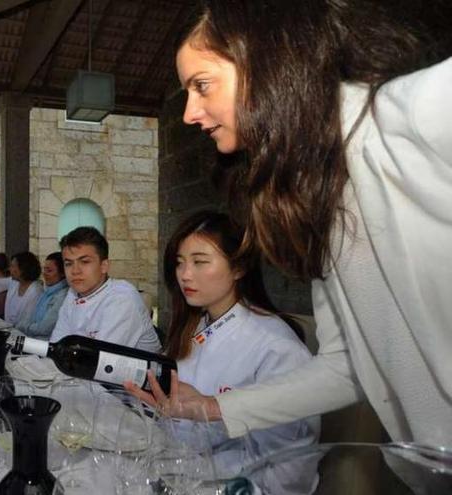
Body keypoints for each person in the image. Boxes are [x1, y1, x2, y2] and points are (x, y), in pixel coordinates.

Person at [134, 0, 452, 447]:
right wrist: (211, 407)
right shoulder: (322, 200)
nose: (189, 113)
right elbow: (346, 367)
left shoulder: (403, 117)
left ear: (267, 64)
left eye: (202, 85)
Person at [161, 210, 318, 493]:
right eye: (180, 263)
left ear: (238, 268)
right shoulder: (195, 325)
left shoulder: (276, 348)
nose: (185, 274)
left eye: (200, 262)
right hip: (179, 470)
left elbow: (290, 470)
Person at [50, 226, 160, 352]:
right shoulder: (72, 294)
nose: (75, 271)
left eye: (85, 262)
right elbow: (56, 347)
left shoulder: (122, 298)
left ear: (104, 266)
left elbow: (99, 360)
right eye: (68, 264)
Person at [18, 252, 68, 338]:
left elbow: (44, 329)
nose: (44, 273)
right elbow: (29, 315)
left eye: (49, 270)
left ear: (62, 273)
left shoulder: (63, 296)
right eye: (44, 269)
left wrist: (23, 326)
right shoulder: (47, 291)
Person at [0, 251, 44, 327]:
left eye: (13, 266)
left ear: (23, 268)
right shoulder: (14, 283)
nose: (10, 269)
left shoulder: (36, 290)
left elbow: (28, 319)